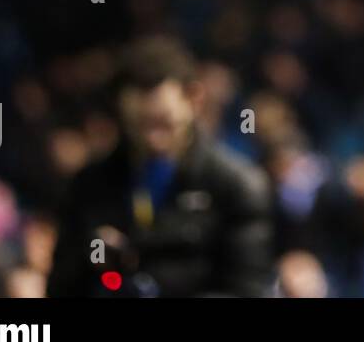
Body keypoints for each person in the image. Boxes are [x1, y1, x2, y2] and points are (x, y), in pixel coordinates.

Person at [47, 36, 274, 296]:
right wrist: (92, 260)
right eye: (140, 124)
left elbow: (248, 290)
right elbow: (60, 288)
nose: (152, 138)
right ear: (121, 108)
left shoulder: (237, 185)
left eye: (164, 123)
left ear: (194, 99)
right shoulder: (89, 186)